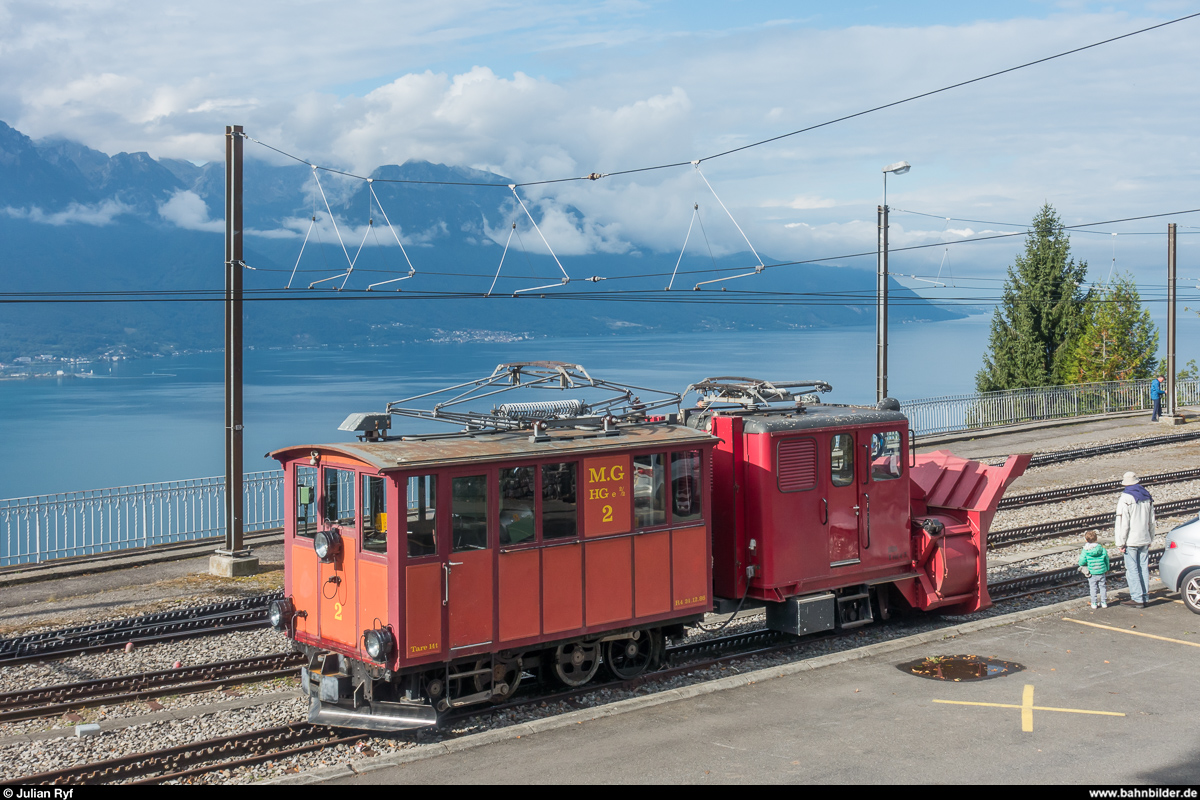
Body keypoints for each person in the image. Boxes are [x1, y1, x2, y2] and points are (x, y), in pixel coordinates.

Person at [1115, 471, 1155, 607]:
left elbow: (1123, 522)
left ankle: (1137, 598)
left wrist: (1121, 542)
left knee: (1132, 569)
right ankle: (1144, 596)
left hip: (1131, 540)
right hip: (1144, 537)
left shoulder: (1125, 498)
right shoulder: (1146, 495)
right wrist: (1151, 537)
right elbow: (1152, 520)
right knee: (1143, 567)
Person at [1078, 530, 1111, 609]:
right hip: (1101, 571)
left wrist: (1081, 564)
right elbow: (1106, 560)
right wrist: (1107, 569)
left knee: (1093, 588)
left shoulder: (1086, 550)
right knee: (1102, 587)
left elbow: (1082, 561)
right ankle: (1104, 602)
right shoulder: (1102, 549)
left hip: (1092, 572)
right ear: (1096, 539)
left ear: (1086, 540)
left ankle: (1094, 603)